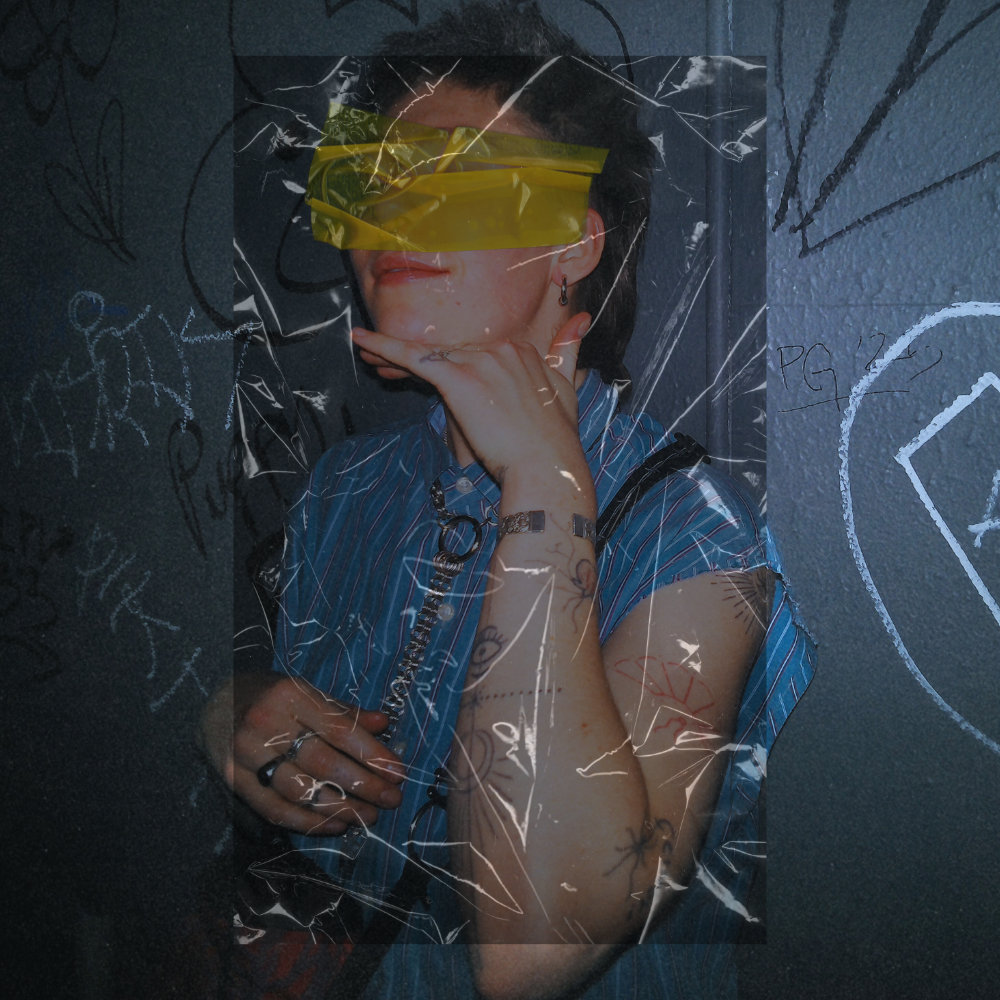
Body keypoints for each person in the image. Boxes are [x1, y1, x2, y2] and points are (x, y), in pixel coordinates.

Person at [202, 3, 815, 997]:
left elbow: (539, 944)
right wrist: (232, 714)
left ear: (572, 243)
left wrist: (544, 485)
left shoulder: (694, 523)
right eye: (372, 184)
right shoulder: (347, 486)